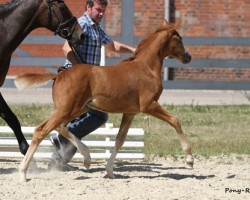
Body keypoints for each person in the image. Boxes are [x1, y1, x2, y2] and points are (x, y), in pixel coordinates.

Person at [48, 0, 135, 171]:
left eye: (103, 11)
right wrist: (80, 70)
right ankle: (61, 144)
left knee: (86, 118)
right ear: (88, 7)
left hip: (90, 85)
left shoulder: (96, 28)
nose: (101, 14)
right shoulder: (82, 24)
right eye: (98, 10)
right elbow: (66, 47)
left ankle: (57, 160)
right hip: (76, 83)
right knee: (98, 116)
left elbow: (112, 46)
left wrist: (134, 51)